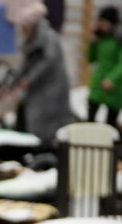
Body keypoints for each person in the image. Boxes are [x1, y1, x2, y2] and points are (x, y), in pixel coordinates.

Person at [12, 2, 75, 143]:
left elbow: (47, 62)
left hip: (52, 94)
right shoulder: (31, 40)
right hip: (37, 94)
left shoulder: (49, 37)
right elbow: (24, 66)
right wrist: (13, 82)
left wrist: (28, 80)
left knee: (49, 130)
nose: (22, 30)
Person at [86, 6, 122, 128]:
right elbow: (90, 59)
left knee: (110, 125)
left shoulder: (121, 40)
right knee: (90, 120)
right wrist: (92, 44)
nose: (100, 25)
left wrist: (111, 79)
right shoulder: (100, 38)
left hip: (114, 86)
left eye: (103, 22)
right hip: (98, 82)